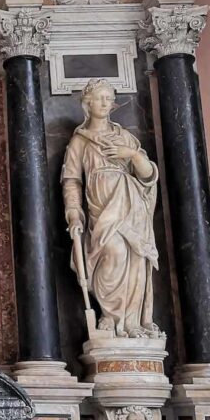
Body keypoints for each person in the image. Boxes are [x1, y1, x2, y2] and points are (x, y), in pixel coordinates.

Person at [62, 78, 161, 338]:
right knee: (113, 253)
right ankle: (111, 314)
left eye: (109, 98)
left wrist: (133, 155)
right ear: (87, 103)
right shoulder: (79, 142)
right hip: (101, 209)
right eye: (100, 98)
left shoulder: (125, 137)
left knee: (135, 260)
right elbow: (72, 180)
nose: (106, 102)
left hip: (131, 205)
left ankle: (131, 322)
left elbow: (148, 176)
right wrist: (73, 211)